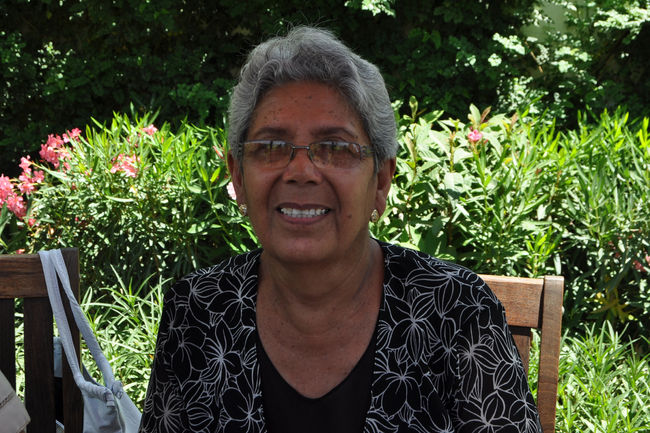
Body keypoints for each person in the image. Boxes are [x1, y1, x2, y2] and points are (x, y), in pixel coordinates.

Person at [139, 26, 542, 433]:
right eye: (272, 147)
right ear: (238, 177)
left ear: (381, 181)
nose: (300, 171)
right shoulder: (195, 312)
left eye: (334, 148)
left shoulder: (458, 311)